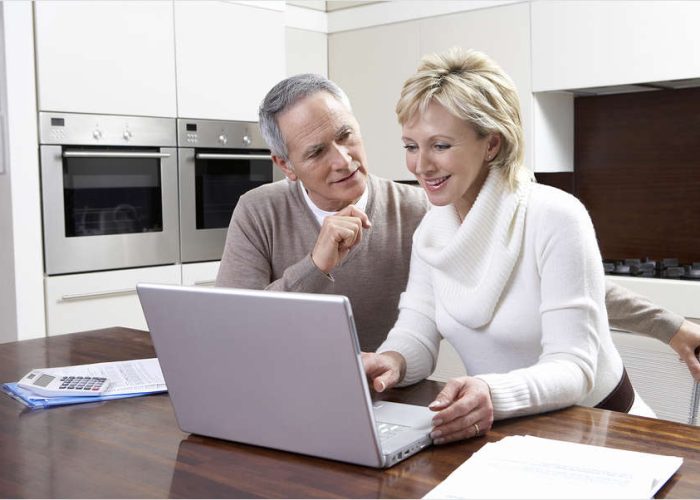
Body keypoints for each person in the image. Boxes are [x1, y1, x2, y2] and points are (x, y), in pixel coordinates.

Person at [215, 73, 700, 376]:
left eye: (346, 136)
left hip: (385, 395)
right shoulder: (259, 211)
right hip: (278, 387)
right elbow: (229, 330)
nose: (343, 160)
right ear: (285, 164)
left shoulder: (424, 214)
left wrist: (670, 326)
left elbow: (556, 282)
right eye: (317, 152)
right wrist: (314, 266)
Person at [362, 47, 655, 445]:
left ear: (492, 145)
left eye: (441, 146)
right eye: (411, 146)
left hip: (604, 433)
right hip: (511, 435)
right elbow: (417, 329)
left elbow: (574, 367)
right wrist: (391, 360)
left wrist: (491, 393)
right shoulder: (432, 230)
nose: (420, 165)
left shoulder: (555, 217)